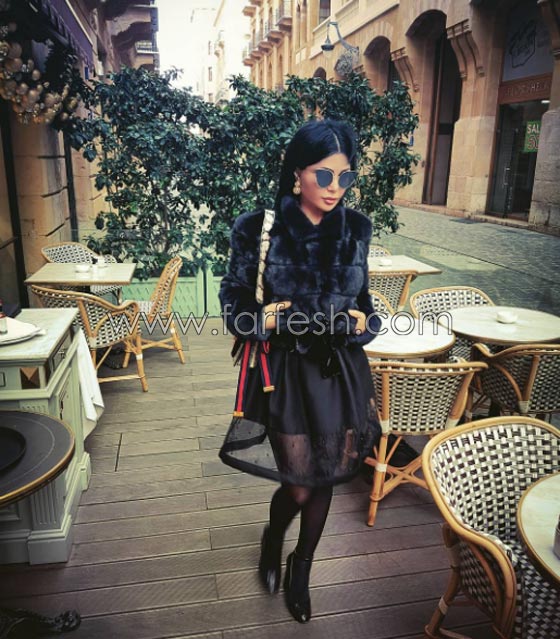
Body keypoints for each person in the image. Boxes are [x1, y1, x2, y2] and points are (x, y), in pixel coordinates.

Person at [219, 119, 381, 623]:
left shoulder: (356, 229)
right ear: (297, 174)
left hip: (339, 372)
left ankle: (301, 568)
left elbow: (365, 304)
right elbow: (234, 299)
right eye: (323, 175)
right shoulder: (257, 228)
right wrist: (260, 319)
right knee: (298, 482)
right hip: (285, 374)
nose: (335, 188)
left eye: (344, 178)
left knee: (326, 475)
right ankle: (274, 538)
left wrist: (365, 322)